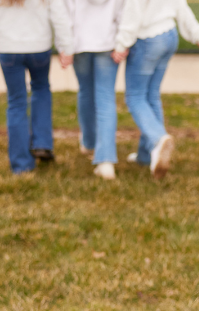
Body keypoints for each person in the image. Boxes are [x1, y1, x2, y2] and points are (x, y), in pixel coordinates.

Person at [112, 0, 199, 179]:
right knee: (151, 96)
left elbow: (133, 9)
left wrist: (122, 44)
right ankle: (146, 156)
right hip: (169, 36)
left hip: (147, 40)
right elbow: (181, 7)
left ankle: (158, 139)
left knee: (135, 97)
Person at [0, 0, 74, 174]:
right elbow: (60, 16)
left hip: (9, 50)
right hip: (39, 48)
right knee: (41, 89)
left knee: (16, 101)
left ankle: (21, 163)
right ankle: (42, 144)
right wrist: (66, 47)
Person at [65, 0, 125, 180]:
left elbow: (65, 12)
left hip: (79, 42)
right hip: (108, 42)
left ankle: (89, 143)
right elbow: (123, 11)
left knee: (85, 91)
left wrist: (65, 45)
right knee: (105, 97)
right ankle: (105, 159)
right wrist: (122, 41)